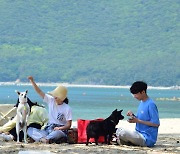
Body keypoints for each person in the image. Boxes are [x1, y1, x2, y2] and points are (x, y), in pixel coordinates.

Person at [27, 76, 72, 144]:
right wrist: (32, 81)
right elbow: (39, 92)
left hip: (59, 130)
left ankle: (43, 139)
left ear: (61, 98)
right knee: (30, 130)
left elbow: (68, 125)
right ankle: (44, 139)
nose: (54, 97)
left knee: (57, 133)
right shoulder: (51, 100)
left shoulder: (67, 108)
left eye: (56, 96)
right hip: (48, 129)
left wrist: (59, 128)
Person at [116, 81, 160, 147]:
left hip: (146, 138)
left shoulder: (151, 104)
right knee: (118, 130)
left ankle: (126, 141)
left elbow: (156, 124)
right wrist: (133, 116)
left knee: (123, 132)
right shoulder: (142, 102)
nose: (134, 96)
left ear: (143, 92)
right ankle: (127, 142)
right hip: (138, 133)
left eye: (136, 94)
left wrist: (137, 121)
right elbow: (141, 119)